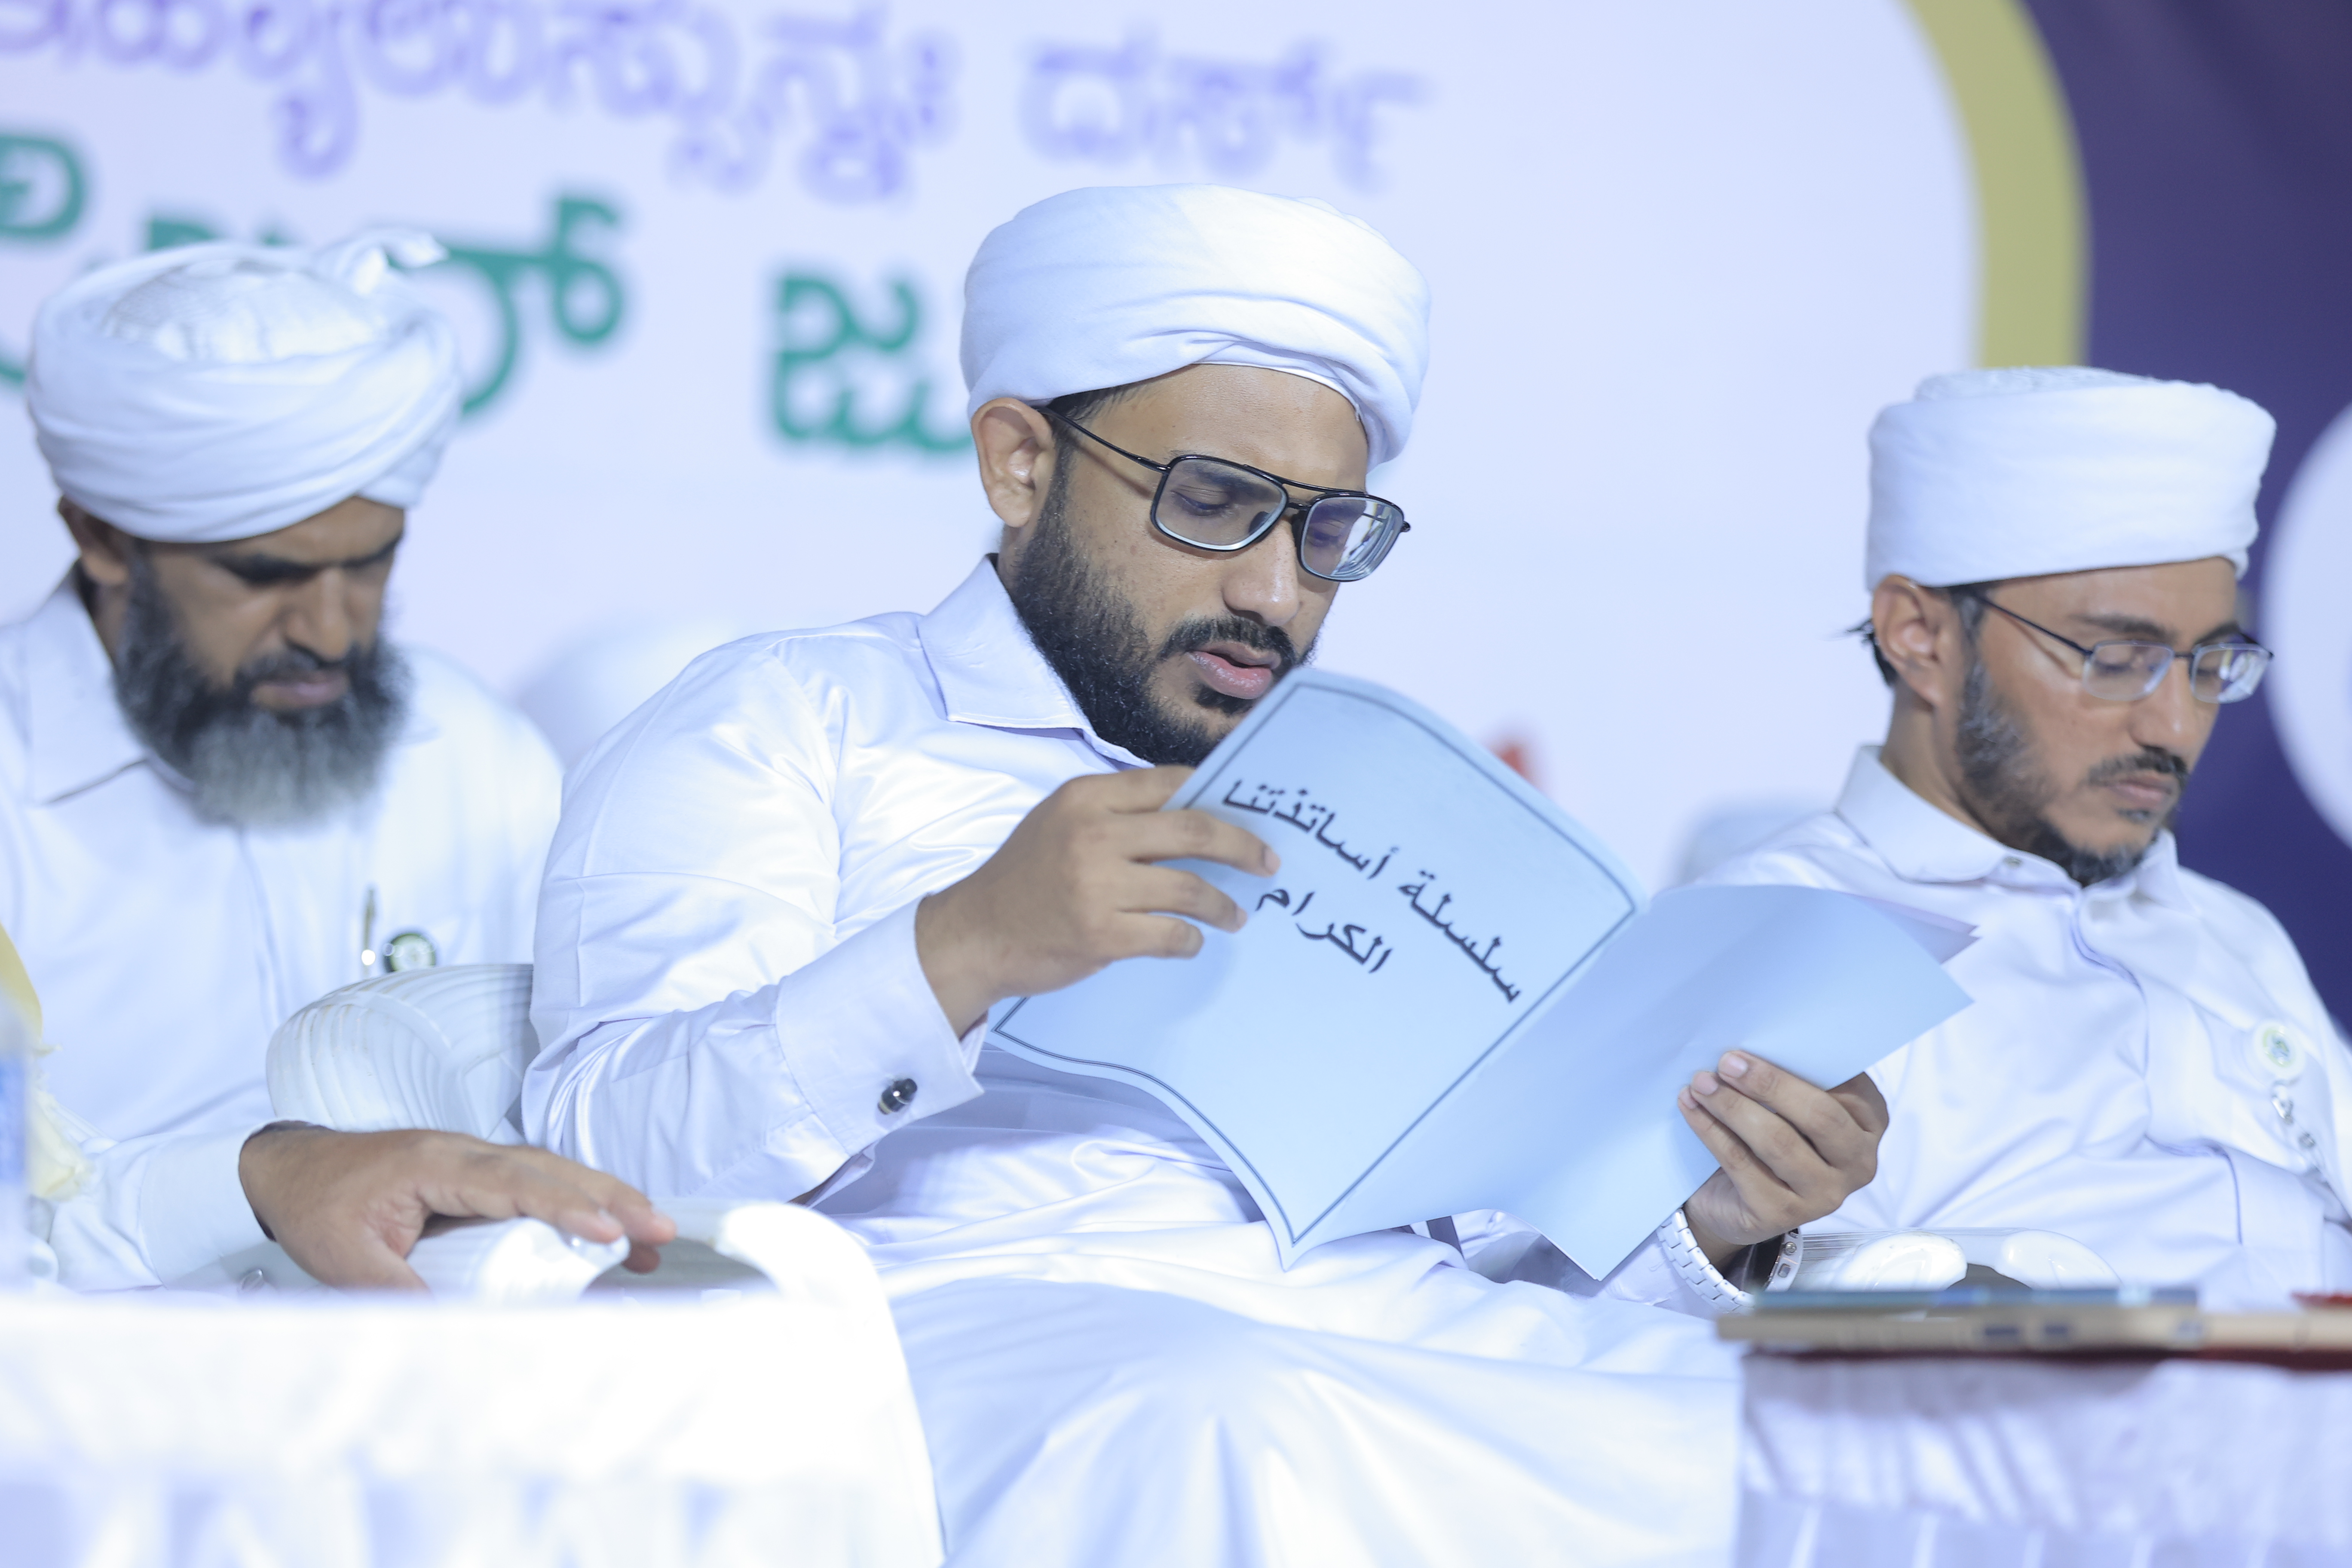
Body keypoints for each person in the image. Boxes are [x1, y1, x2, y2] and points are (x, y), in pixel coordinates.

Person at [527, 184, 1885, 1565]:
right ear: (1018, 464)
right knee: (1227, 1412)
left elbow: (1469, 1234)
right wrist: (963, 949)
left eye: (1327, 533)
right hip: (976, 1330)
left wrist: (1715, 1207)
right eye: (1219, 503)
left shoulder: (1365, 800)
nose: (1278, 595)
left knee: (1825, 1427)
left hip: (1383, 1326)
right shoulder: (791, 717)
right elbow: (598, 1156)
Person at [2, 230, 670, 1289]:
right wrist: (256, 1185)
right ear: (102, 537)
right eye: (265, 576)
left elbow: (581, 1104)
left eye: (372, 564)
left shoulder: (468, 755)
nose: (331, 630)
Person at [1704, 366, 2348, 1303]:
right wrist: (1720, 1237)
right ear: (1919, 635)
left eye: (2212, 664)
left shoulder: (2237, 937)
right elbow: (1568, 1304)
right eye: (2118, 659)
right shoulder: (1770, 929)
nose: (2174, 725)